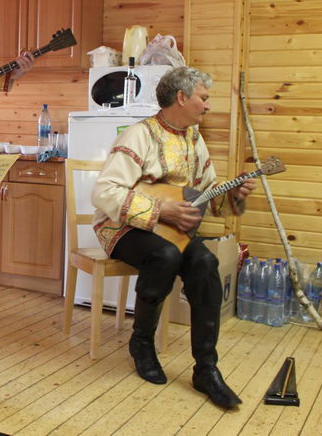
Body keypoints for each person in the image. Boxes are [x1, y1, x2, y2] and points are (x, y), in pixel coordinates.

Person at [91, 66, 256, 409]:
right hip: (121, 227)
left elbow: (208, 196)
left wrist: (233, 194)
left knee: (205, 262)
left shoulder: (195, 139)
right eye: (203, 97)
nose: (207, 105)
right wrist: (160, 210)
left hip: (170, 230)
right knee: (164, 256)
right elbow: (104, 192)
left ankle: (206, 369)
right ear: (181, 97)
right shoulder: (138, 135)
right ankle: (142, 343)